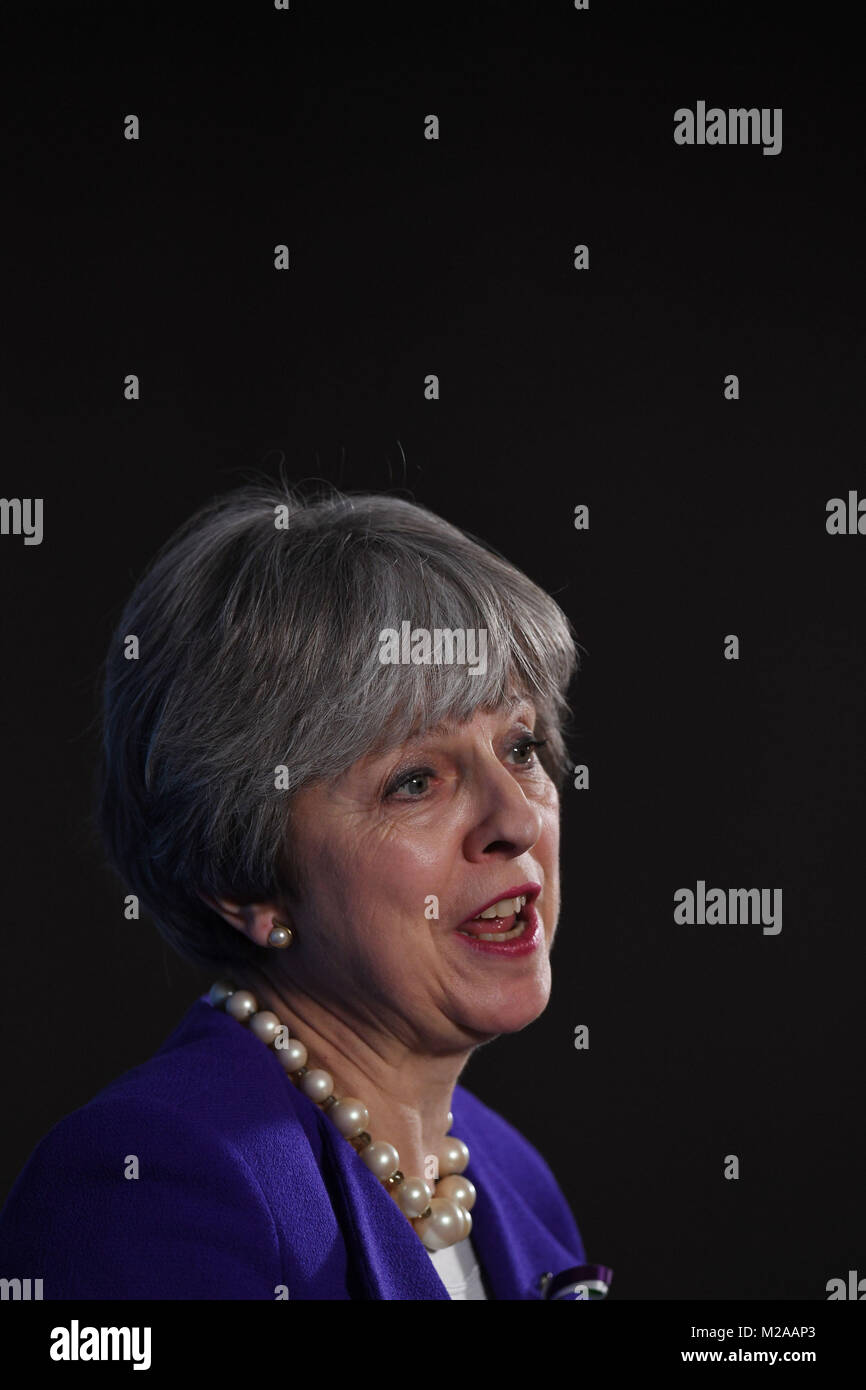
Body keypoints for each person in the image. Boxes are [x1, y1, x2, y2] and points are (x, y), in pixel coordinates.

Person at [0, 483, 612, 1300]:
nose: (515, 818)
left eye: (522, 746)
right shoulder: (153, 1185)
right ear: (241, 876)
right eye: (416, 781)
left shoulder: (514, 1178)